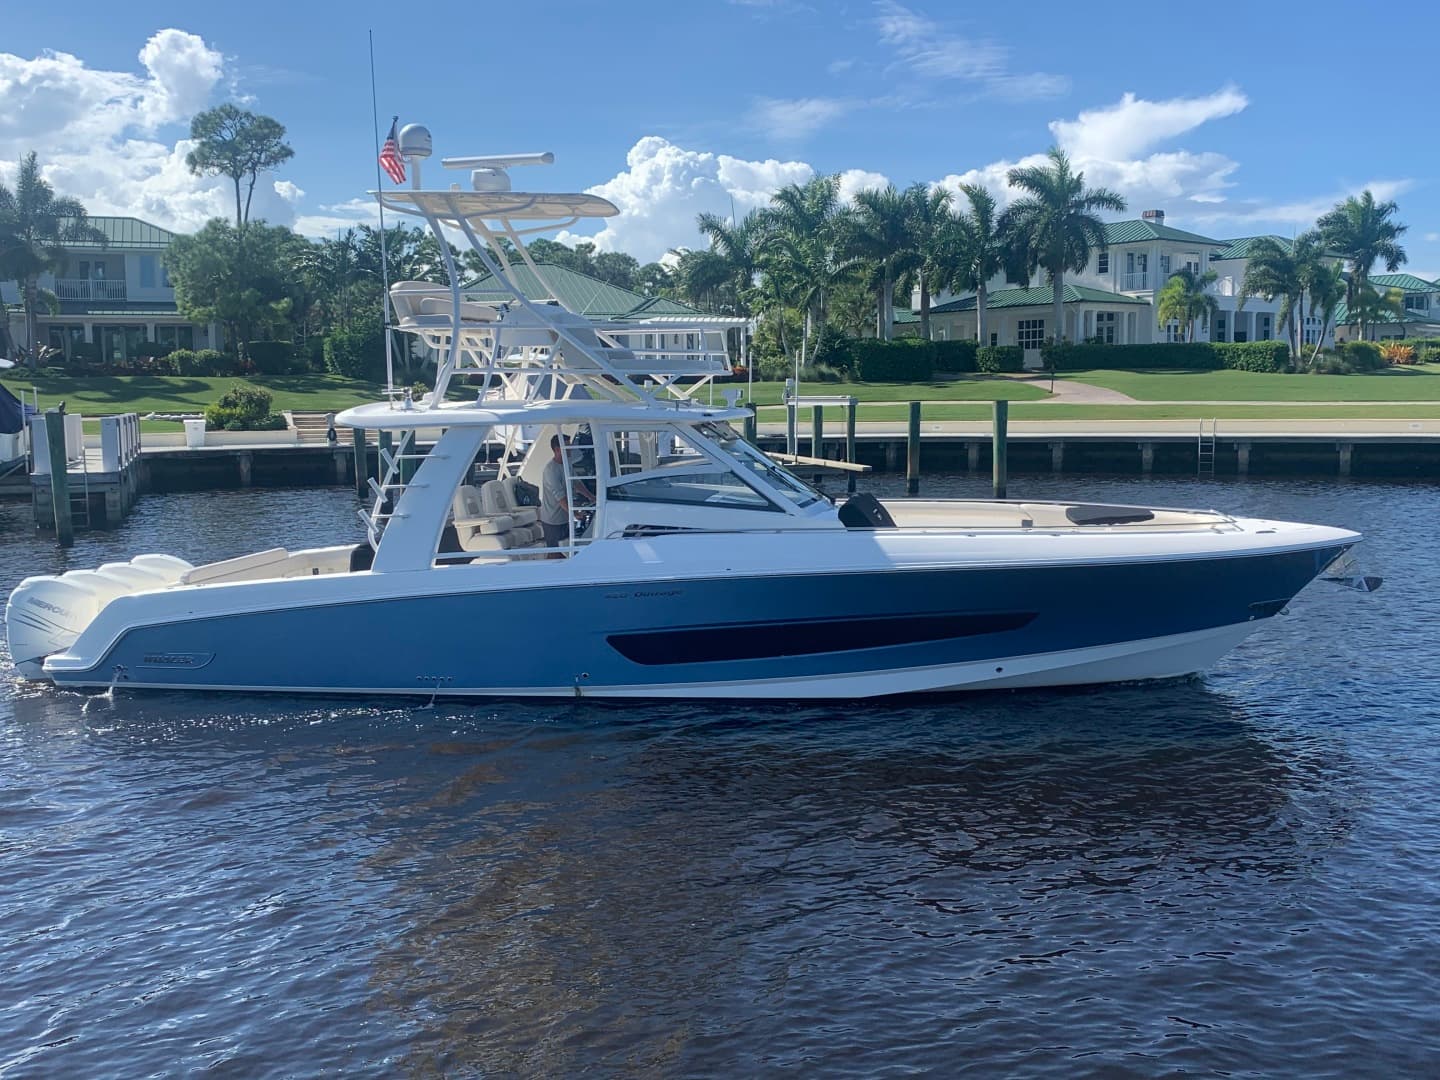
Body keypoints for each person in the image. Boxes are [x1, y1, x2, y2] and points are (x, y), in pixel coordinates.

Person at [539, 434, 571, 555]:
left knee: (565, 553)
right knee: (555, 553)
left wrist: (592, 497)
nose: (571, 450)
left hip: (564, 518)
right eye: (568, 447)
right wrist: (574, 513)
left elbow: (577, 483)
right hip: (553, 520)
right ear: (557, 449)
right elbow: (560, 497)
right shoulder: (550, 470)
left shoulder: (567, 465)